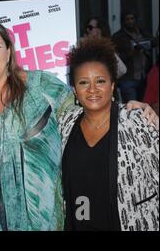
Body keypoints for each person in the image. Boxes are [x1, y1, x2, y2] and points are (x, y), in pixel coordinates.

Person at [0, 20, 158, 231]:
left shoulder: (41, 87)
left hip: (48, 222)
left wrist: (130, 111)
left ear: (8, 52)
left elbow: (87, 106)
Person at [60, 36, 159, 231]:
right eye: (83, 83)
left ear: (112, 85)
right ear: (74, 90)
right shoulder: (65, 123)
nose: (92, 90)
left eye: (100, 81)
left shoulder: (136, 121)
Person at [111, 11, 154, 102]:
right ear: (123, 21)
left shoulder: (141, 32)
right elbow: (116, 58)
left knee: (143, 108)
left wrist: (145, 44)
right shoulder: (118, 36)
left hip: (143, 76)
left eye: (132, 18)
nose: (130, 21)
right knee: (132, 109)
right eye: (127, 19)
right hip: (128, 78)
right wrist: (131, 52)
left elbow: (153, 42)